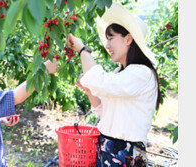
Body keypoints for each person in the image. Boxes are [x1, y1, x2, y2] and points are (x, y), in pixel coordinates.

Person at [67, 2, 160, 167]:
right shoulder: (121, 73)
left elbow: (101, 81)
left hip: (127, 152)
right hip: (107, 147)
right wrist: (90, 91)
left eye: (111, 39)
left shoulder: (142, 73)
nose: (107, 46)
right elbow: (104, 112)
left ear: (128, 39)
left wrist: (82, 50)